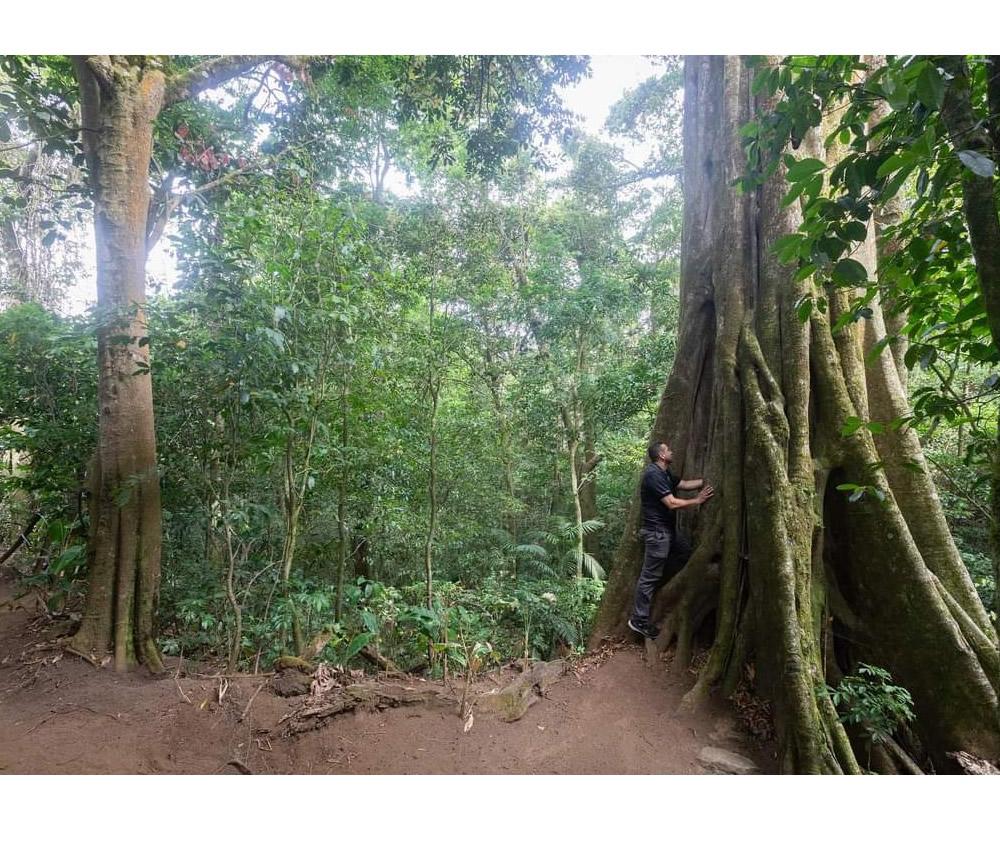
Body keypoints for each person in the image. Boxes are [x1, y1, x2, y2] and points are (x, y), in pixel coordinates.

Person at [628, 441, 714, 640]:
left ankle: (677, 593)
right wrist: (698, 500)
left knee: (687, 555)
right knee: (649, 576)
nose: (672, 452)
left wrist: (705, 480)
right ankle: (639, 619)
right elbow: (671, 503)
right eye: (668, 450)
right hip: (657, 534)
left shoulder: (665, 473)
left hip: (668, 533)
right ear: (661, 455)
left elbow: (683, 485)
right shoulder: (653, 475)